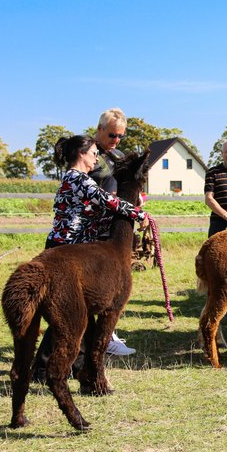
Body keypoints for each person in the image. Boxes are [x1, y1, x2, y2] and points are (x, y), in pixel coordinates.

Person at [33, 135, 148, 382]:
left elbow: (97, 213)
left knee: (76, 314)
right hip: (66, 249)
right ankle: (43, 370)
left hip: (72, 247)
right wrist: (137, 213)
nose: (97, 156)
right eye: (94, 152)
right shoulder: (77, 179)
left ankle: (78, 367)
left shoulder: (80, 180)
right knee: (66, 315)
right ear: (81, 153)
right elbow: (108, 201)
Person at [88, 107, 137, 356]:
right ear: (99, 129)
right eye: (111, 135)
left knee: (116, 282)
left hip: (115, 229)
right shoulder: (87, 154)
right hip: (92, 229)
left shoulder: (118, 156)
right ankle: (99, 337)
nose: (116, 141)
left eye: (120, 136)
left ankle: (107, 333)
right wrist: (110, 199)